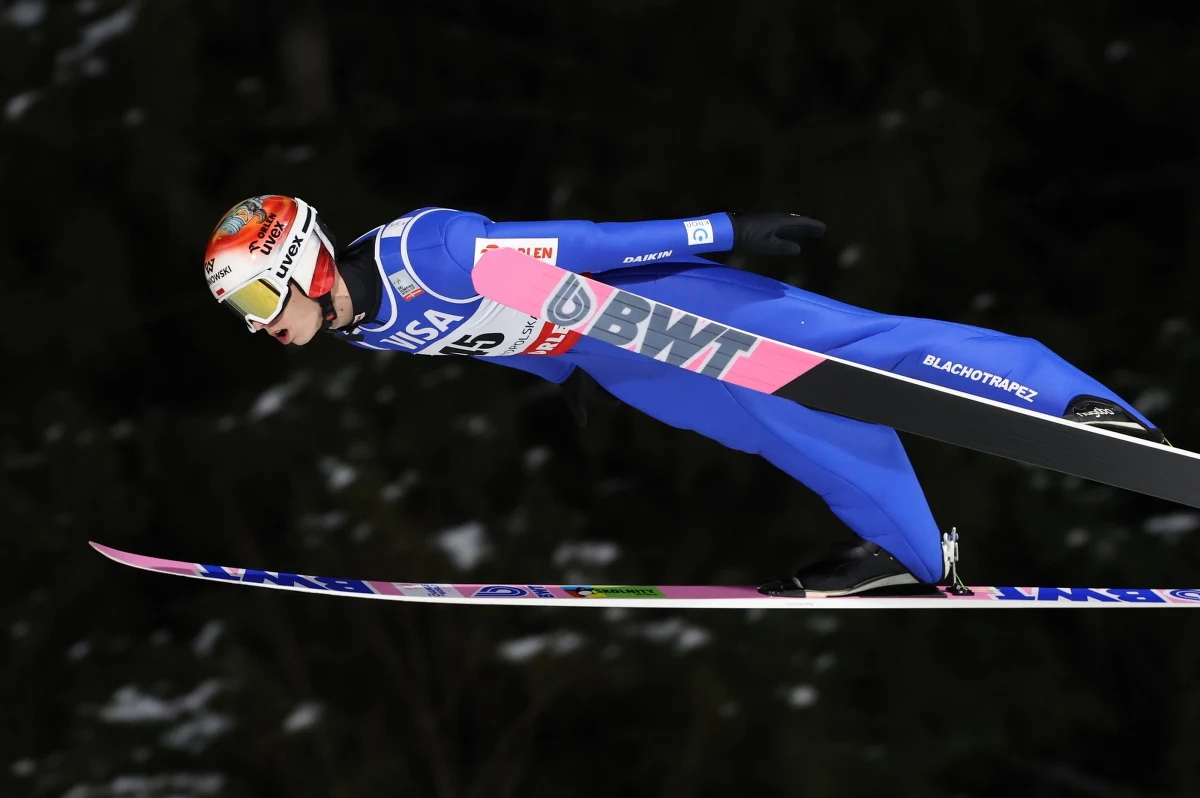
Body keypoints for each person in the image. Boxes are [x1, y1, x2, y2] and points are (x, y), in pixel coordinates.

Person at [202, 195, 1165, 595]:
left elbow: (582, 245)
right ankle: (915, 552)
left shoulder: (428, 249)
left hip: (659, 303)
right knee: (786, 427)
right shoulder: (363, 321)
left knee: (863, 352)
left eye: (252, 296)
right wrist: (560, 374)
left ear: (298, 261)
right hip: (624, 361)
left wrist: (720, 229)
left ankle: (1074, 408)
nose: (254, 323)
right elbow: (481, 334)